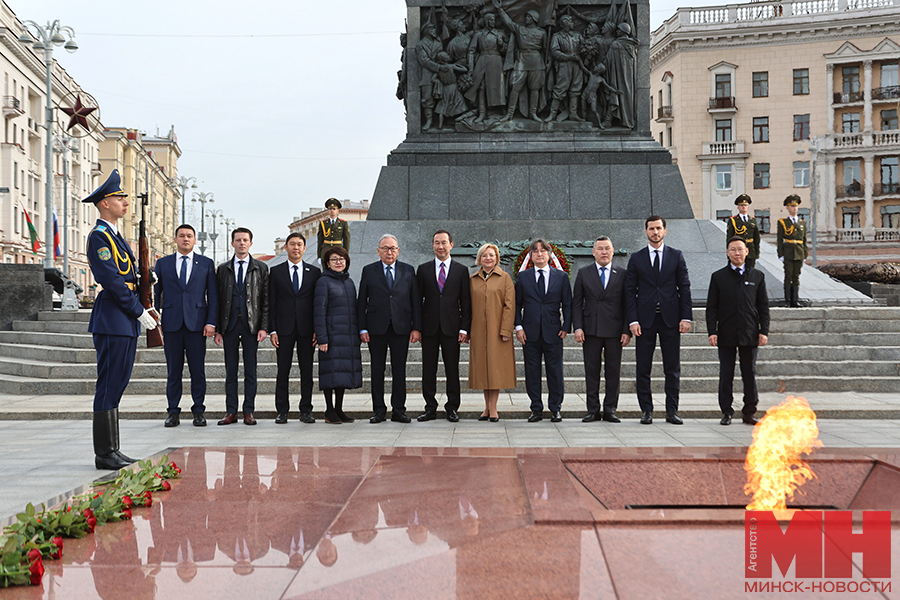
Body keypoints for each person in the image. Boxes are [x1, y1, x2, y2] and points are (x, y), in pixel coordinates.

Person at [83, 169, 159, 469]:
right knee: (108, 384)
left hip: (123, 319)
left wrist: (146, 279)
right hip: (114, 317)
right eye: (119, 197)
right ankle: (104, 452)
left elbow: (129, 275)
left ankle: (113, 449)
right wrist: (138, 310)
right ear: (104, 203)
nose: (125, 202)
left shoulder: (116, 237)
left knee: (119, 383)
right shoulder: (99, 238)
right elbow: (112, 281)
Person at [624, 216, 693, 425]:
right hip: (644, 322)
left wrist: (686, 317)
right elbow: (629, 291)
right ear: (645, 232)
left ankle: (672, 411)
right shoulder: (636, 258)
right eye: (651, 229)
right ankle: (647, 410)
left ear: (665, 231)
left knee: (672, 368)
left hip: (670, 320)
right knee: (643, 368)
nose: (655, 232)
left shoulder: (676, 256)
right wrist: (632, 320)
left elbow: (685, 287)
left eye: (658, 228)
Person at [155, 224, 219, 427]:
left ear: (194, 240)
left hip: (197, 325)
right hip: (171, 324)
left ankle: (199, 411)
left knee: (197, 370)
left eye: (189, 236)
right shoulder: (163, 263)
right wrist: (155, 319)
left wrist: (211, 322)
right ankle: (173, 411)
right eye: (181, 236)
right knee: (173, 371)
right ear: (175, 239)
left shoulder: (206, 263)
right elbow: (156, 294)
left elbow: (214, 297)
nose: (185, 239)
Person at [357, 234, 422, 423]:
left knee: (399, 370)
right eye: (385, 248)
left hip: (401, 328)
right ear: (378, 251)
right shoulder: (369, 271)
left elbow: (415, 301)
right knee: (377, 370)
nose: (389, 252)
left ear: (398, 250)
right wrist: (362, 328)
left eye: (393, 248)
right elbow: (362, 301)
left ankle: (399, 410)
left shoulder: (408, 271)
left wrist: (416, 327)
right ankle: (378, 410)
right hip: (376, 329)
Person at [707, 237, 770, 426]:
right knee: (726, 374)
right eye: (733, 250)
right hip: (726, 334)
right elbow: (712, 307)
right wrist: (712, 331)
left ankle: (749, 412)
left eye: (740, 249)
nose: (737, 253)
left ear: (747, 252)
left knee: (749, 374)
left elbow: (763, 306)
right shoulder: (718, 277)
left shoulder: (757, 276)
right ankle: (726, 412)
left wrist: (763, 331)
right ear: (727, 252)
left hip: (750, 334)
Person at [214, 227, 269, 426]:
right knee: (231, 371)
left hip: (251, 326)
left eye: (245, 240)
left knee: (250, 371)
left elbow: (265, 300)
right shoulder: (223, 268)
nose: (242, 243)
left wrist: (264, 326)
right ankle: (231, 411)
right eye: (238, 240)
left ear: (251, 243)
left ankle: (248, 411)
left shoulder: (260, 268)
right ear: (232, 243)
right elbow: (218, 300)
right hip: (229, 326)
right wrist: (219, 329)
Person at [572, 236, 630, 423]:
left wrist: (626, 330)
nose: (604, 252)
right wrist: (578, 327)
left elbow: (628, 304)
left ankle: (610, 409)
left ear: (613, 251)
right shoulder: (584, 273)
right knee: (592, 371)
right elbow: (577, 303)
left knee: (613, 371)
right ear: (593, 252)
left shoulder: (622, 274)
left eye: (607, 248)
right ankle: (593, 410)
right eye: (600, 249)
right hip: (591, 330)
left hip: (614, 331)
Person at [416, 230, 472, 423]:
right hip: (429, 329)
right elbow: (417, 301)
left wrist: (464, 328)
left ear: (451, 244)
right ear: (433, 245)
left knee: (452, 370)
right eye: (437, 243)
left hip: (452, 329)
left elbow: (466, 302)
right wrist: (418, 327)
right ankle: (430, 407)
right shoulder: (423, 270)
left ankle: (452, 408)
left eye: (444, 243)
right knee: (428, 370)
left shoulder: (461, 270)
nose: (440, 246)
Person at [515, 239, 572, 423]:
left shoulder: (561, 277)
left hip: (554, 332)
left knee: (555, 371)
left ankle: (555, 408)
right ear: (531, 255)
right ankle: (536, 408)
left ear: (549, 254)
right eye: (536, 251)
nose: (540, 254)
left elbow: (568, 304)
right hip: (529, 333)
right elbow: (516, 305)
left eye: (543, 251)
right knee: (532, 372)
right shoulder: (523, 277)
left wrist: (565, 327)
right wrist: (519, 327)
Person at [269, 232, 321, 424]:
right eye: (292, 244)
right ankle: (282, 410)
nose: (296, 248)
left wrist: (318, 329)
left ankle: (306, 410)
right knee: (283, 371)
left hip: (307, 330)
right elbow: (271, 303)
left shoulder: (314, 273)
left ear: (305, 248)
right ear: (286, 247)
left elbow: (318, 303)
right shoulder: (276, 272)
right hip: (283, 329)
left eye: (299, 244)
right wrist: (272, 330)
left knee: (306, 371)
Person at [315, 246, 363, 424]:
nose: (338, 262)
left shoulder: (349, 282)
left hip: (348, 335)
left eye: (341, 259)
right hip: (332, 335)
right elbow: (318, 311)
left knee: (341, 374)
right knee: (330, 374)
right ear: (328, 263)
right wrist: (322, 337)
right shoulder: (323, 281)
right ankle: (329, 410)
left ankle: (339, 409)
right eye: (334, 259)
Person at [468, 243, 516, 422]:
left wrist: (506, 329)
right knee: (483, 369)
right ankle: (486, 407)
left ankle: (494, 408)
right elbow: (468, 306)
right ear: (479, 259)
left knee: (495, 370)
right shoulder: (473, 279)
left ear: (497, 258)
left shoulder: (505, 278)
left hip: (498, 332)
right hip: (479, 331)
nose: (488, 258)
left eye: (492, 255)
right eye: (485, 255)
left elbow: (509, 306)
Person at [492, 0, 547, 121]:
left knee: (534, 89)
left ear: (533, 19)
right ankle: (509, 114)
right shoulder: (519, 29)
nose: (526, 18)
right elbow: (508, 22)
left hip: (537, 62)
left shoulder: (542, 33)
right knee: (515, 87)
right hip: (521, 61)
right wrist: (500, 9)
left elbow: (545, 49)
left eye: (528, 16)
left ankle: (533, 113)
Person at [465, 12, 507, 123]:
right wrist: (470, 68)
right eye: (491, 20)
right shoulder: (479, 35)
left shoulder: (500, 34)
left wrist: (502, 44)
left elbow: (507, 52)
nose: (493, 22)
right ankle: (482, 113)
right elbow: (471, 51)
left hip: (496, 61)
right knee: (481, 87)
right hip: (482, 61)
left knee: (499, 87)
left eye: (494, 20)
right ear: (486, 21)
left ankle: (504, 111)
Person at [548, 15, 585, 122]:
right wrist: (567, 57)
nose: (572, 23)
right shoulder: (557, 36)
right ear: (564, 24)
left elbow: (584, 47)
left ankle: (573, 114)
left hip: (577, 63)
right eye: (570, 21)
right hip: (564, 64)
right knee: (560, 87)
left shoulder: (577, 35)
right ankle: (553, 114)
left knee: (576, 88)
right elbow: (554, 51)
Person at [777, 194, 808, 308]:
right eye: (791, 206)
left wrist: (805, 253)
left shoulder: (802, 223)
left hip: (799, 252)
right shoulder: (783, 222)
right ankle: (787, 301)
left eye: (795, 206)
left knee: (796, 276)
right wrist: (780, 254)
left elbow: (804, 240)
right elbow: (780, 239)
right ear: (787, 208)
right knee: (788, 276)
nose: (794, 208)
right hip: (788, 252)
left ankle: (795, 300)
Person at [726, 194, 760, 269]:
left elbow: (756, 238)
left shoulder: (752, 220)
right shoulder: (733, 220)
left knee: (750, 273)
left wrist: (757, 254)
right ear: (738, 207)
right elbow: (729, 238)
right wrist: (730, 254)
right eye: (741, 205)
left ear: (748, 207)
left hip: (751, 251)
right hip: (738, 251)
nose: (743, 207)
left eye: (745, 205)